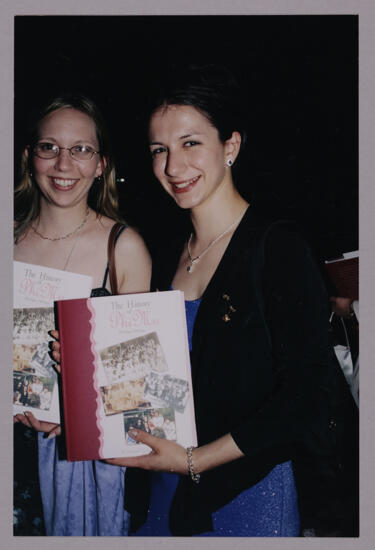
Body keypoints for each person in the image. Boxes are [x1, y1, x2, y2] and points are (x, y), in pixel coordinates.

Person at [105, 64, 359, 537]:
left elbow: (306, 395)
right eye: (159, 150)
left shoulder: (278, 246)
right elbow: (148, 378)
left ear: (231, 147)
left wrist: (194, 460)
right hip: (166, 485)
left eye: (190, 143)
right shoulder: (165, 253)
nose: (173, 167)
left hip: (248, 490)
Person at [13, 93, 152, 536]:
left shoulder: (123, 247)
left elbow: (140, 389)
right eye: (48, 147)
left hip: (78, 464)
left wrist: (75, 411)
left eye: (81, 150)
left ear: (101, 164)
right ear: (29, 157)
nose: (63, 164)